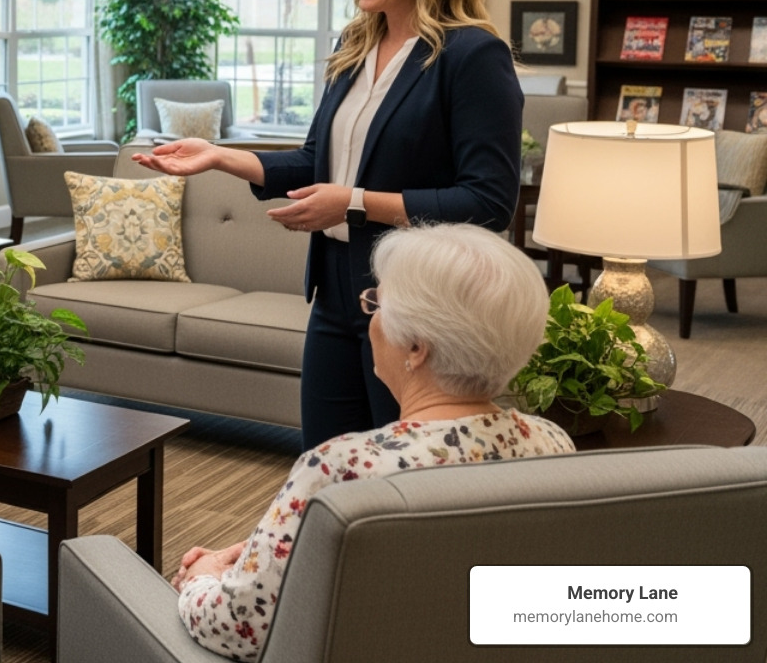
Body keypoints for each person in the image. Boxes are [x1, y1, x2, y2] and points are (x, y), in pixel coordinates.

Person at [136, 0, 521, 449]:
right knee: (328, 460)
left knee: (401, 470)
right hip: (337, 292)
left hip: (416, 301)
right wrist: (222, 157)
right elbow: (319, 161)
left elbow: (488, 203)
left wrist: (355, 203)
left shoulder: (471, 55)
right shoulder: (356, 43)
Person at [172, 224, 574, 661]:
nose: (373, 318)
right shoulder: (552, 443)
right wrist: (258, 555)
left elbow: (239, 626)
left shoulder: (343, 468)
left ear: (417, 346)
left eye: (377, 303)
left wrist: (203, 577)